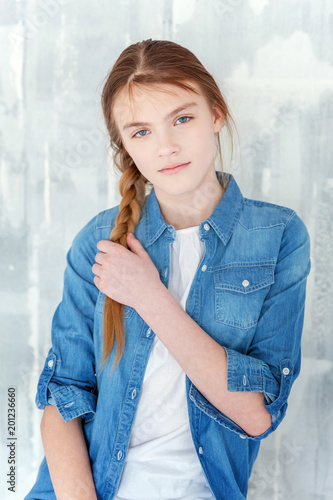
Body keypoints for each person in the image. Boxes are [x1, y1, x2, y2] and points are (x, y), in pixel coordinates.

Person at [25, 39, 311, 500]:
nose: (167, 147)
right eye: (141, 132)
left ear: (215, 114)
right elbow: (63, 397)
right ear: (126, 147)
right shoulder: (98, 242)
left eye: (182, 119)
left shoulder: (278, 235)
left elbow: (256, 414)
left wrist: (149, 296)